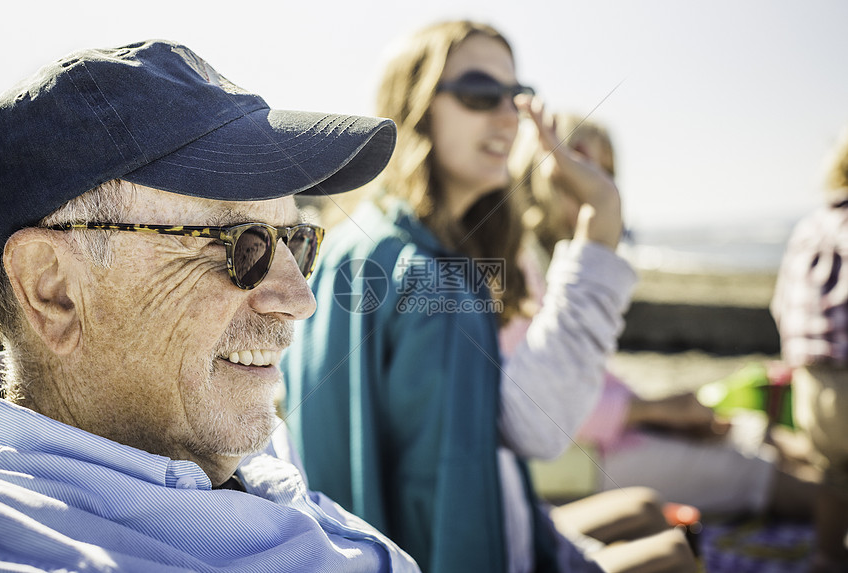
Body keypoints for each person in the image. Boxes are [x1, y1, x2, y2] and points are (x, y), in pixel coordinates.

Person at [0, 39, 421, 572]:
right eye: (244, 243)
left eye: (298, 243)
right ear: (51, 289)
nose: (298, 300)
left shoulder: (215, 432)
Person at [283, 20, 695, 573]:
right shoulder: (429, 276)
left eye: (518, 96)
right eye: (481, 94)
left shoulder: (365, 241)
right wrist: (601, 228)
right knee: (676, 555)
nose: (509, 116)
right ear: (416, 107)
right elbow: (522, 441)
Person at [507, 112, 817, 521]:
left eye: (607, 169)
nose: (595, 177)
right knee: (765, 473)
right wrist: (660, 411)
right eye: (578, 159)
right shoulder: (514, 265)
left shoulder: (556, 256)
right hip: (572, 462)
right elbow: (541, 400)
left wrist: (665, 411)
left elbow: (589, 375)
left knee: (759, 433)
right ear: (541, 163)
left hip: (603, 439)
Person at [771, 125, 848, 573]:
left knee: (832, 476)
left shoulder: (809, 227)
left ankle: (827, 556)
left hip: (811, 379)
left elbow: (782, 303)